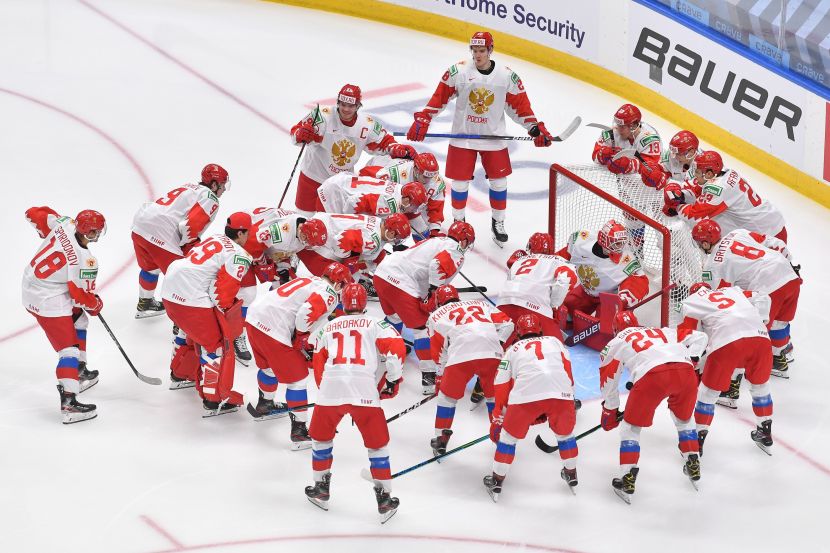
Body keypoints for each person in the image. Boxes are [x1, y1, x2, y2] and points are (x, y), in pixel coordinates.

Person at [407, 31, 554, 246]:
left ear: (490, 50)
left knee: (499, 182)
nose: (477, 55)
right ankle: (459, 222)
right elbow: (440, 98)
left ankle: (498, 222)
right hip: (463, 136)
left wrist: (534, 128)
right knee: (459, 183)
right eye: (474, 50)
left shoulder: (506, 76)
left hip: (493, 137)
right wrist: (424, 118)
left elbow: (520, 107)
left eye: (482, 51)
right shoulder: (458, 71)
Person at [306, 283, 406, 523]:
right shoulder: (376, 323)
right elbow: (396, 350)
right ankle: (384, 498)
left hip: (331, 386)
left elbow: (318, 362)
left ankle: (320, 488)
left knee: (321, 439)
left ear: (342, 302)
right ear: (364, 303)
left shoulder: (326, 327)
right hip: (364, 388)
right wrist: (393, 380)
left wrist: (326, 393)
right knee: (378, 445)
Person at [599, 311, 708, 503]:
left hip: (652, 377)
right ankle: (693, 459)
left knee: (630, 428)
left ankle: (627, 478)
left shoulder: (616, 342)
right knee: (684, 419)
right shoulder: (662, 331)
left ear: (615, 329)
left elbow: (609, 377)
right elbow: (700, 337)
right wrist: (691, 359)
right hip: (685, 372)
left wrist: (610, 408)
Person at [245, 263, 352, 448]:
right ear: (337, 284)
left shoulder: (308, 279)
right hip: (274, 329)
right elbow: (305, 314)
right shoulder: (329, 293)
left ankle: (265, 404)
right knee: (298, 381)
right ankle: (299, 432)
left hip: (254, 319)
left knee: (268, 367)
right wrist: (302, 336)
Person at [160, 213, 254, 414]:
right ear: (240, 233)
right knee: (215, 345)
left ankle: (180, 374)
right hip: (191, 299)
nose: (250, 236)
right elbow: (221, 294)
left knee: (187, 332)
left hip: (169, 290)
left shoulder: (215, 238)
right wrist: (227, 316)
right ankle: (213, 399)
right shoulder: (240, 255)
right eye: (248, 232)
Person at [23, 207, 106, 424]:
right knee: (68, 350)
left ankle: (79, 370)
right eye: (96, 231)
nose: (97, 234)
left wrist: (45, 233)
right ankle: (69, 403)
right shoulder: (86, 260)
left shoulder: (65, 223)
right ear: (91, 233)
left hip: (32, 283)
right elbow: (80, 297)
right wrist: (96, 304)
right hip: (48, 300)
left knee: (80, 319)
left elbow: (34, 213)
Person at [373, 220, 475, 394]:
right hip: (401, 281)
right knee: (422, 328)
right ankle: (429, 379)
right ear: (464, 241)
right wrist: (433, 292)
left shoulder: (438, 240)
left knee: (394, 317)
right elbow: (436, 265)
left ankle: (381, 353)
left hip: (382, 273)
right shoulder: (455, 249)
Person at [484, 314, 578, 502]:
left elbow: (501, 385)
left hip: (525, 396)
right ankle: (571, 473)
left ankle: (497, 480)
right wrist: (569, 397)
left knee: (508, 438)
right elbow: (567, 371)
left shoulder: (512, 350)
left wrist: (499, 416)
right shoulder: (555, 342)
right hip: (561, 393)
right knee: (565, 436)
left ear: (518, 333)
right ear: (540, 330)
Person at [692, 219, 800, 377]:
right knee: (780, 322)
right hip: (789, 275)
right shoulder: (738, 233)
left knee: (753, 330)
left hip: (768, 287)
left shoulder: (713, 266)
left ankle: (739, 376)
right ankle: (778, 358)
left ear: (706, 243)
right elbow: (775, 242)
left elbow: (717, 297)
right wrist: (788, 261)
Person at [290, 84, 416, 217]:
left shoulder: (367, 124)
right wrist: (301, 134)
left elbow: (384, 142)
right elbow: (297, 133)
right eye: (343, 104)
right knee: (303, 217)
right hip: (312, 176)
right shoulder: (322, 116)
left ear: (358, 106)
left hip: (340, 184)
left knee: (333, 222)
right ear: (338, 102)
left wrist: (397, 148)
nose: (346, 109)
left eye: (350, 106)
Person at [678, 283, 775, 455]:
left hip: (727, 342)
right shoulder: (733, 290)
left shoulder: (691, 301)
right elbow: (763, 296)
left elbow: (688, 335)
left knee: (708, 393)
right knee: (761, 387)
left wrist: (692, 360)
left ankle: (697, 441)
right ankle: (765, 431)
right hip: (760, 338)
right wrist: (762, 320)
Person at [131, 164, 229, 319]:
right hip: (162, 232)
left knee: (151, 268)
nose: (224, 189)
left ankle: (146, 303)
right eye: (222, 185)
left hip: (140, 225)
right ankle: (181, 325)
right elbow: (189, 227)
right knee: (184, 278)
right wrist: (189, 250)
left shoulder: (188, 186)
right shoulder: (211, 198)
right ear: (214, 184)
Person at [234, 207, 330, 364]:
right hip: (244, 245)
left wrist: (283, 265)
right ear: (302, 231)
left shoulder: (305, 229)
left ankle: (276, 326)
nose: (307, 244)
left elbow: (282, 252)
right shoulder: (281, 233)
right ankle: (237, 334)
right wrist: (263, 265)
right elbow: (253, 242)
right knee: (248, 293)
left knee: (287, 288)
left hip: (266, 248)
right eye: (306, 241)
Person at [427, 285, 514, 456]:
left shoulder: (435, 316)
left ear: (438, 301)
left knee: (447, 398)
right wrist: (497, 343)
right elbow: (508, 324)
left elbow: (439, 353)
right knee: (494, 397)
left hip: (460, 358)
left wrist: (441, 378)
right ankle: (502, 438)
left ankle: (441, 438)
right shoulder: (481, 304)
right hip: (492, 354)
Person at [665, 151, 787, 241]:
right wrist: (679, 190)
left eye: (697, 172)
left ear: (709, 174)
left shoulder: (718, 189)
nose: (695, 175)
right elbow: (698, 187)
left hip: (768, 232)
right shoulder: (725, 172)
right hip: (769, 220)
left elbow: (694, 214)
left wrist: (677, 206)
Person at [294, 213, 411, 299]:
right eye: (397, 237)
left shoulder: (378, 222)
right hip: (316, 245)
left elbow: (366, 248)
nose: (396, 241)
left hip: (319, 226)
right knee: (343, 284)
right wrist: (351, 266)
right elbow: (341, 242)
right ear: (391, 232)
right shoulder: (372, 239)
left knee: (366, 261)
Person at [556, 220, 649, 319]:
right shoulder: (583, 241)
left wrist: (624, 298)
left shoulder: (626, 259)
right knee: (566, 309)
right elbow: (563, 256)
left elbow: (639, 280)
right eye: (617, 243)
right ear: (603, 239)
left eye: (622, 243)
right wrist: (549, 264)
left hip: (608, 300)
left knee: (606, 323)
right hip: (585, 291)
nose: (621, 247)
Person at [499, 232, 578, 342]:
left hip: (503, 303)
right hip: (536, 306)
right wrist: (554, 306)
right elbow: (564, 281)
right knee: (555, 346)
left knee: (500, 345)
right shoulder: (560, 261)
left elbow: (509, 280)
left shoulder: (519, 260)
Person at [360, 152, 446, 240]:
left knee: (421, 231)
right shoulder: (394, 174)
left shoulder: (436, 182)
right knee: (383, 226)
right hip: (375, 175)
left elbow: (436, 208)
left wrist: (434, 230)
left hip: (406, 203)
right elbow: (366, 177)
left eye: (432, 176)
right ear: (416, 170)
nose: (429, 180)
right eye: (425, 177)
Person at [316, 173, 426, 219]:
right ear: (407, 200)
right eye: (414, 207)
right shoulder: (391, 203)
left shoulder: (400, 188)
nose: (413, 211)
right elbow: (355, 201)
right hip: (334, 195)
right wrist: (347, 221)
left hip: (342, 181)